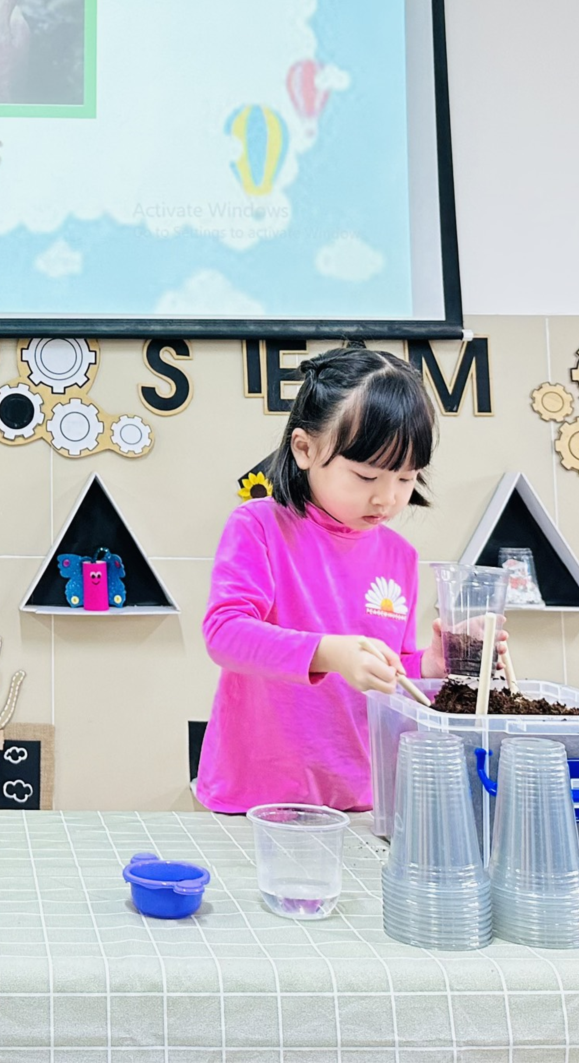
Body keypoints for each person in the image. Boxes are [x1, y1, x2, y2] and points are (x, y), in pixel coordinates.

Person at [197, 348, 466, 814]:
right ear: (304, 449)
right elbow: (224, 634)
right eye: (366, 475)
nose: (386, 498)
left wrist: (428, 664)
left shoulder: (400, 556)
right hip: (256, 796)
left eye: (406, 479)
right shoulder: (259, 526)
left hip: (360, 796)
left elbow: (387, 669)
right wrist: (329, 653)